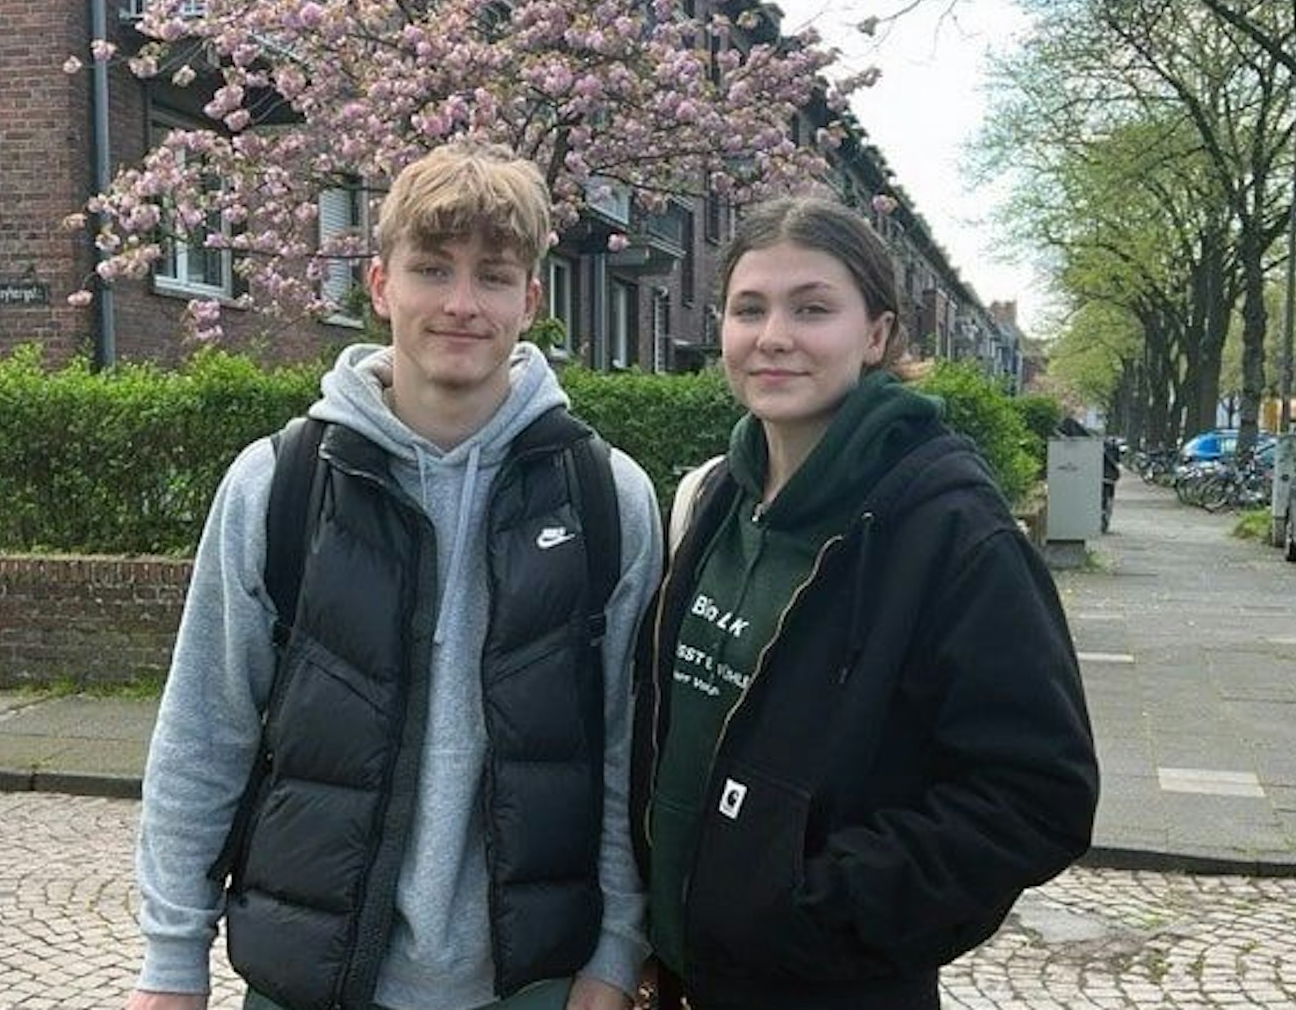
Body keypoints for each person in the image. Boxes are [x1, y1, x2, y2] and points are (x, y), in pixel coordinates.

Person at [128, 141, 660, 1010]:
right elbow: (204, 727)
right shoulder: (279, 484)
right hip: (315, 973)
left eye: (492, 276)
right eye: (431, 268)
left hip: (532, 981)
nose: (460, 303)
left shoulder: (609, 497)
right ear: (380, 286)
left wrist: (614, 948)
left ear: (530, 299)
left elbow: (622, 747)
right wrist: (172, 956)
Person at [632, 195, 1099, 1010]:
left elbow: (1036, 793)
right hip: (682, 976)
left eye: (812, 308)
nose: (774, 335)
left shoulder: (950, 529)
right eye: (750, 308)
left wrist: (818, 912)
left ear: (876, 335)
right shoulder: (715, 499)